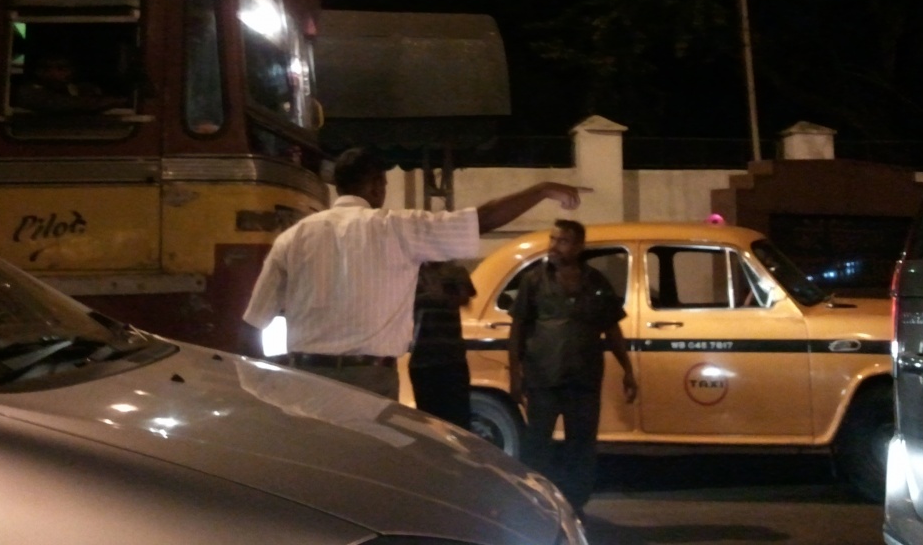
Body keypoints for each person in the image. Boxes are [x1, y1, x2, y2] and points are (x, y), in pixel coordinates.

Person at [241, 146, 589, 400]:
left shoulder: (292, 238)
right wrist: (541, 190)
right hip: (369, 382)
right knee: (366, 475)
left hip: (304, 380)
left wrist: (261, 389)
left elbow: (251, 326)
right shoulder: (396, 228)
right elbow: (481, 220)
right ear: (376, 185)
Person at [508, 218, 638, 517]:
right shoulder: (533, 281)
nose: (554, 246)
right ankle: (534, 506)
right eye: (552, 239)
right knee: (537, 445)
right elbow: (517, 330)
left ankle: (574, 506)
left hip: (584, 380)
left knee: (581, 448)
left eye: (563, 241)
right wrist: (515, 374)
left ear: (578, 247)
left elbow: (612, 329)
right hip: (544, 379)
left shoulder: (595, 282)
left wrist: (628, 370)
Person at [408, 260, 476, 429]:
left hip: (450, 359)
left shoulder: (454, 270)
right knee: (429, 421)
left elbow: (465, 298)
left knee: (458, 421)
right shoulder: (412, 272)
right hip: (424, 358)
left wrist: (439, 295)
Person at [13, 53, 126, 113]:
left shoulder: (82, 89)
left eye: (61, 68)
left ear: (73, 71)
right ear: (37, 71)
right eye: (46, 68)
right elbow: (62, 104)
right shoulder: (27, 92)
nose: (53, 73)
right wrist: (116, 101)